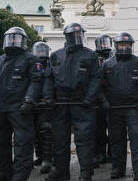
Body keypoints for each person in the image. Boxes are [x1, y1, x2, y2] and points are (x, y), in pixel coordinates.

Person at [43, 23, 101, 181]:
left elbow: (96, 78)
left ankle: (85, 172)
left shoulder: (90, 55)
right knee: (60, 139)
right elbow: (48, 78)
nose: (76, 38)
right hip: (60, 103)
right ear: (66, 37)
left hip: (82, 102)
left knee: (84, 139)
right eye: (73, 35)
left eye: (79, 35)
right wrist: (48, 97)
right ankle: (62, 171)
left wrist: (90, 97)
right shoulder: (56, 55)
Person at [102, 32, 138, 181]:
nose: (125, 47)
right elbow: (99, 86)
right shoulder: (107, 65)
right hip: (114, 109)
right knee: (116, 141)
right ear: (116, 46)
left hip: (134, 109)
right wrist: (104, 101)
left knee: (137, 141)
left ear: (131, 46)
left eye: (127, 44)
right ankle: (118, 169)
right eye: (122, 44)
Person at [0, 27, 42, 181]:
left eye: (16, 38)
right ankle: (4, 173)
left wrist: (29, 100)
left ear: (23, 41)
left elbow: (36, 81)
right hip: (2, 108)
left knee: (23, 144)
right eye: (10, 38)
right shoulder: (1, 59)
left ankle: (19, 176)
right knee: (2, 143)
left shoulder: (31, 59)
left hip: (20, 108)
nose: (12, 41)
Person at [31, 41, 54, 174]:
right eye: (38, 51)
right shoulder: (30, 63)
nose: (41, 53)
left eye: (43, 50)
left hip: (47, 103)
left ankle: (47, 159)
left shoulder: (52, 64)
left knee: (46, 130)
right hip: (32, 103)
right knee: (34, 132)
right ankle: (39, 156)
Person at [93, 34, 113, 167]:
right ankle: (100, 153)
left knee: (113, 128)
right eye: (102, 43)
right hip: (97, 99)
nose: (104, 46)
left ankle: (112, 153)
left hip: (112, 97)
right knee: (99, 128)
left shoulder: (115, 55)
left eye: (106, 43)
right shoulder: (93, 58)